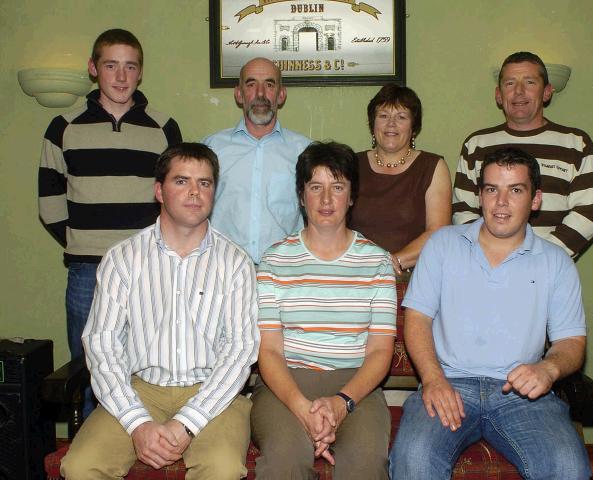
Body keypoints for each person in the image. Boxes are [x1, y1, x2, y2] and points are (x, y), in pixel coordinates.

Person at [60, 143, 259, 479]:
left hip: (213, 392)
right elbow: (102, 344)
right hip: (140, 388)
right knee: (80, 467)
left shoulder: (236, 262)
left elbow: (240, 351)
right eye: (181, 181)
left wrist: (187, 422)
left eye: (205, 183)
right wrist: (137, 423)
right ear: (159, 191)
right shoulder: (122, 259)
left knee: (222, 468)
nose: (195, 192)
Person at [390, 147, 591, 479]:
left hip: (521, 393)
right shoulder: (442, 245)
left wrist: (548, 369)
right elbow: (417, 319)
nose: (501, 202)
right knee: (415, 458)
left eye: (515, 190)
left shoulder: (556, 262)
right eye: (491, 189)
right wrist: (433, 379)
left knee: (567, 467)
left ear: (536, 199)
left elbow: (571, 341)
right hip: (450, 384)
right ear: (479, 196)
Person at [38, 28, 182, 415]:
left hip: (147, 269)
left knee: (148, 362)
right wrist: (83, 241)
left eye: (130, 66)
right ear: (93, 69)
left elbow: (175, 201)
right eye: (111, 65)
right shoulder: (63, 127)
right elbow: (49, 204)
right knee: (90, 369)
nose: (120, 76)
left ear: (140, 73)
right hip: (88, 271)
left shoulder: (163, 128)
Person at [251, 141, 397, 479]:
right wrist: (303, 409)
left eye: (338, 187)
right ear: (302, 196)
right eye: (316, 187)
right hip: (285, 381)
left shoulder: (376, 262)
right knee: (284, 462)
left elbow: (379, 352)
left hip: (356, 382)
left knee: (365, 465)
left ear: (352, 196)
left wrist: (341, 403)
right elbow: (269, 350)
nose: (327, 199)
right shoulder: (275, 260)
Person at [452, 51, 593, 259]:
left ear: (547, 92)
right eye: (510, 83)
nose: (519, 92)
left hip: (549, 271)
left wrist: (539, 258)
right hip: (485, 266)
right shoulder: (475, 145)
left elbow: (588, 213)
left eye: (530, 82)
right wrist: (492, 255)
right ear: (498, 94)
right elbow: (463, 210)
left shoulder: (576, 143)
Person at [202, 57, 312, 264]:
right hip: (222, 271)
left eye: (269, 84)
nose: (260, 94)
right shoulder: (211, 148)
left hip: (284, 272)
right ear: (238, 94)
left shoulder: (305, 151)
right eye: (251, 84)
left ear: (281, 94)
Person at [349, 84, 451, 275]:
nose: (391, 124)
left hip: (415, 280)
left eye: (401, 117)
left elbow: (438, 232)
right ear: (372, 124)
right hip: (357, 278)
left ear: (414, 127)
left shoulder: (433, 166)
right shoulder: (350, 164)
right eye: (383, 116)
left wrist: (390, 263)